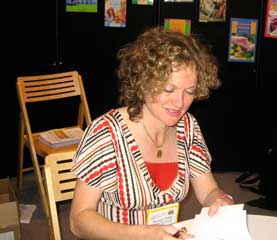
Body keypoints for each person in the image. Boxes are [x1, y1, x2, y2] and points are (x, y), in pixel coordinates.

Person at [69, 26, 234, 240]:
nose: (179, 103)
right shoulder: (107, 133)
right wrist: (143, 234)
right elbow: (78, 220)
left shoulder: (188, 127)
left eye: (189, 92)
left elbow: (208, 191)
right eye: (168, 90)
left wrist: (219, 199)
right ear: (144, 82)